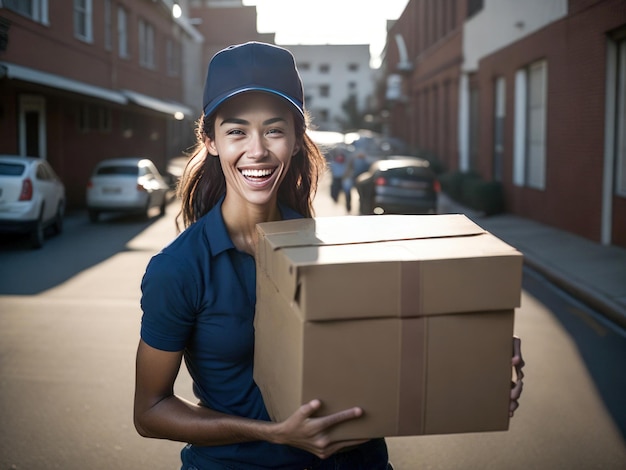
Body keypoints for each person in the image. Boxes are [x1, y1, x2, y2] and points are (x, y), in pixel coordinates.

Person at [134, 41, 525, 470]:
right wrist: (272, 433)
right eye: (237, 131)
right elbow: (150, 412)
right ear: (210, 141)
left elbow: (386, 350)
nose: (257, 149)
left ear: (298, 140)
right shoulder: (179, 268)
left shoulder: (333, 251)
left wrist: (475, 360)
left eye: (275, 130)